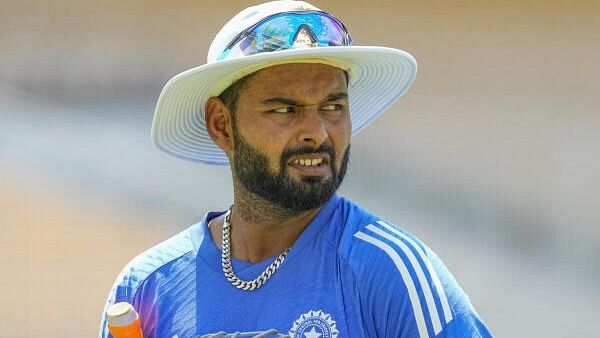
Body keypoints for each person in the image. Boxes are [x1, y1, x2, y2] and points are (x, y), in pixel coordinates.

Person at [99, 1, 492, 337]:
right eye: (285, 109)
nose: (317, 132)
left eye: (333, 107)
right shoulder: (145, 289)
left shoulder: (392, 272)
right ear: (222, 125)